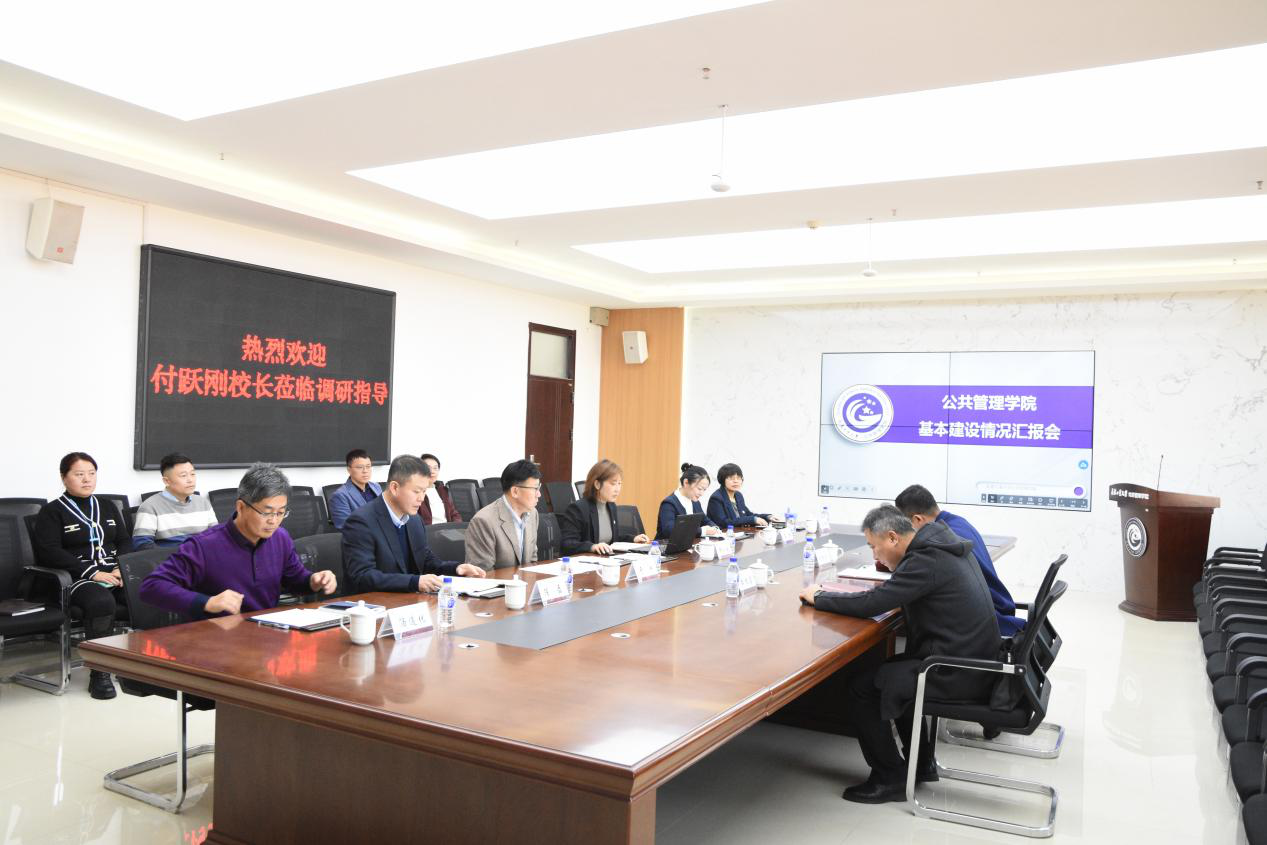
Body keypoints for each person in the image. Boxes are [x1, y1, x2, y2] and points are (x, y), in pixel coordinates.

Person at [797, 505, 1000, 803]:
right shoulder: (940, 545)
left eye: (874, 547)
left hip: (956, 672)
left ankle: (889, 777)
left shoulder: (926, 561)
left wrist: (820, 597)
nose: (875, 556)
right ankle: (922, 764)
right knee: (893, 671)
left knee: (862, 688)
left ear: (893, 537)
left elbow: (872, 603)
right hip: (972, 660)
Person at [141, 463, 338, 620]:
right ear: (241, 507)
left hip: (267, 636)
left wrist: (313, 581)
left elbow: (295, 579)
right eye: (266, 512)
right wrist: (207, 603)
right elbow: (152, 586)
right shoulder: (204, 546)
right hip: (217, 641)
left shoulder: (280, 538)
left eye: (281, 513)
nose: (274, 521)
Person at [32, 452, 133, 699]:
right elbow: (49, 552)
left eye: (91, 473)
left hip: (113, 571)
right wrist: (93, 573)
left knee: (147, 592)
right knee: (101, 602)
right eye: (79, 474)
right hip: (76, 577)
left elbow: (124, 541)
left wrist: (121, 568)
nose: (87, 479)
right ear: (64, 477)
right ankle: (100, 672)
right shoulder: (52, 511)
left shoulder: (108, 506)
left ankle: (141, 668)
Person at [342, 454, 486, 593]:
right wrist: (414, 582)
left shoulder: (414, 520)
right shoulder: (361, 521)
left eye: (424, 491)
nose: (421, 498)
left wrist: (456, 569)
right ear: (394, 488)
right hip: (372, 604)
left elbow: (425, 560)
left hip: (409, 601)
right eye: (416, 491)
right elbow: (362, 576)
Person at [894, 484, 1024, 636]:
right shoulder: (958, 523)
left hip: (989, 620)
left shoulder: (943, 540)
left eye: (905, 528)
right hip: (998, 605)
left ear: (917, 519)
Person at [559, 459, 650, 556]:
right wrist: (592, 547)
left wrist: (633, 539)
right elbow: (567, 544)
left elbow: (612, 539)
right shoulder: (578, 509)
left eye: (619, 483)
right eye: (613, 484)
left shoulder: (611, 506)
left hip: (606, 559)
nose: (617, 489)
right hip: (585, 562)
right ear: (597, 484)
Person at [463, 460, 541, 571]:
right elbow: (483, 573)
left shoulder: (533, 514)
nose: (539, 494)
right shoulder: (483, 521)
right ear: (515, 491)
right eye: (535, 489)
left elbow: (532, 559)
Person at [132, 452, 217, 548]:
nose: (190, 480)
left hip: (202, 555)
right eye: (183, 475)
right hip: (169, 556)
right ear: (166, 481)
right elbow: (142, 544)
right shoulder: (150, 506)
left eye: (192, 474)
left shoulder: (203, 503)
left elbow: (216, 535)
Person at [656, 463, 721, 541]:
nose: (702, 493)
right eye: (699, 489)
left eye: (704, 490)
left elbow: (705, 520)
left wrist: (715, 528)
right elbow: (670, 531)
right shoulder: (669, 503)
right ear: (686, 483)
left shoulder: (695, 502)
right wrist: (702, 531)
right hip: (666, 546)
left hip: (688, 545)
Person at [329, 449, 382, 530]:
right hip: (362, 536)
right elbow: (345, 527)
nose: (365, 471)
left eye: (368, 466)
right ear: (349, 470)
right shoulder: (340, 496)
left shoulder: (376, 487)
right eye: (360, 467)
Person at [706, 463, 769, 529]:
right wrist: (753, 519)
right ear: (723, 480)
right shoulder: (716, 498)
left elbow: (748, 514)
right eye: (731, 478)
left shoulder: (738, 495)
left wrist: (767, 517)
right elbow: (724, 523)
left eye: (738, 478)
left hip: (740, 532)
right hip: (723, 534)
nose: (736, 481)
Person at [418, 453, 461, 525]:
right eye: (428, 468)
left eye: (435, 468)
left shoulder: (442, 490)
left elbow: (454, 513)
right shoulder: (416, 492)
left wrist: (456, 527)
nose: (432, 471)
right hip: (429, 530)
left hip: (447, 529)